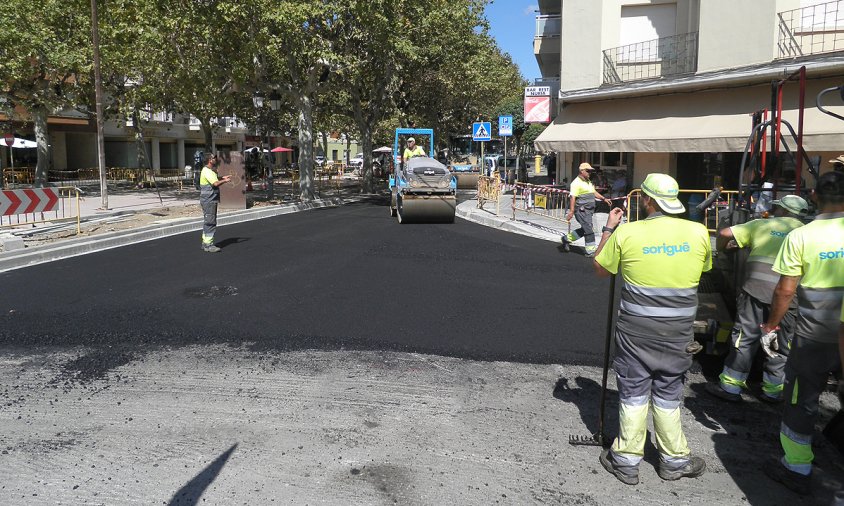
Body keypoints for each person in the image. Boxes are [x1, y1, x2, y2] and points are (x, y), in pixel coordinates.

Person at [592, 173, 711, 486]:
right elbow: (705, 269)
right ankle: (674, 460)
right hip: (679, 333)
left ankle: (626, 462)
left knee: (633, 392)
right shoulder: (698, 232)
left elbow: (601, 269)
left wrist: (608, 230)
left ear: (646, 200)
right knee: (669, 393)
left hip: (636, 333)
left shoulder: (628, 233)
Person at [761, 171, 844, 496]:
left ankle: (796, 466)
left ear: (814, 197)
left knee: (802, 399)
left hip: (814, 336)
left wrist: (771, 326)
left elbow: (785, 291)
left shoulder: (803, 236)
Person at [706, 194, 809, 403]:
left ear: (783, 210)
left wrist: (724, 248)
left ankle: (731, 387)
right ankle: (773, 390)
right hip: (789, 297)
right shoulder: (807, 233)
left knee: (745, 337)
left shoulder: (761, 225)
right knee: (782, 341)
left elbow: (725, 232)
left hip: (755, 291)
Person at [561, 162, 611, 256]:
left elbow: (594, 192)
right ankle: (590, 251)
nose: (590, 173)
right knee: (589, 230)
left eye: (591, 171)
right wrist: (571, 212)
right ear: (581, 171)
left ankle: (567, 239)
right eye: (588, 171)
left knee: (585, 229)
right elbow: (572, 197)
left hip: (589, 211)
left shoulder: (588, 181)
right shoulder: (576, 183)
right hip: (581, 210)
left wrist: (604, 199)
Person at [199, 153, 232, 253]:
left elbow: (215, 179)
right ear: (209, 160)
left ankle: (205, 243)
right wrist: (225, 181)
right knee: (210, 222)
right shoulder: (207, 171)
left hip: (208, 200)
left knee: (208, 221)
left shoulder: (208, 171)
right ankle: (209, 245)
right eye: (214, 158)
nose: (215, 159)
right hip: (209, 200)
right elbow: (215, 183)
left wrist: (222, 178)